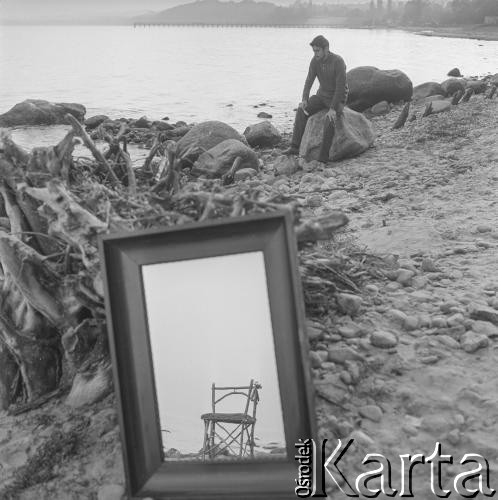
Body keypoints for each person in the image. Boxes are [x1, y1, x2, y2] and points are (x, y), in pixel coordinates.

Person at [283, 35, 348, 162]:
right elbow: (309, 81)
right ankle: (295, 146)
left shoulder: (338, 61)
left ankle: (323, 158)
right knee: (302, 110)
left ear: (326, 48)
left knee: (329, 119)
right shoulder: (315, 61)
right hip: (322, 95)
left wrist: (333, 109)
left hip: (338, 98)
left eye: (317, 50)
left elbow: (340, 88)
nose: (315, 53)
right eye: (314, 51)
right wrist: (304, 99)